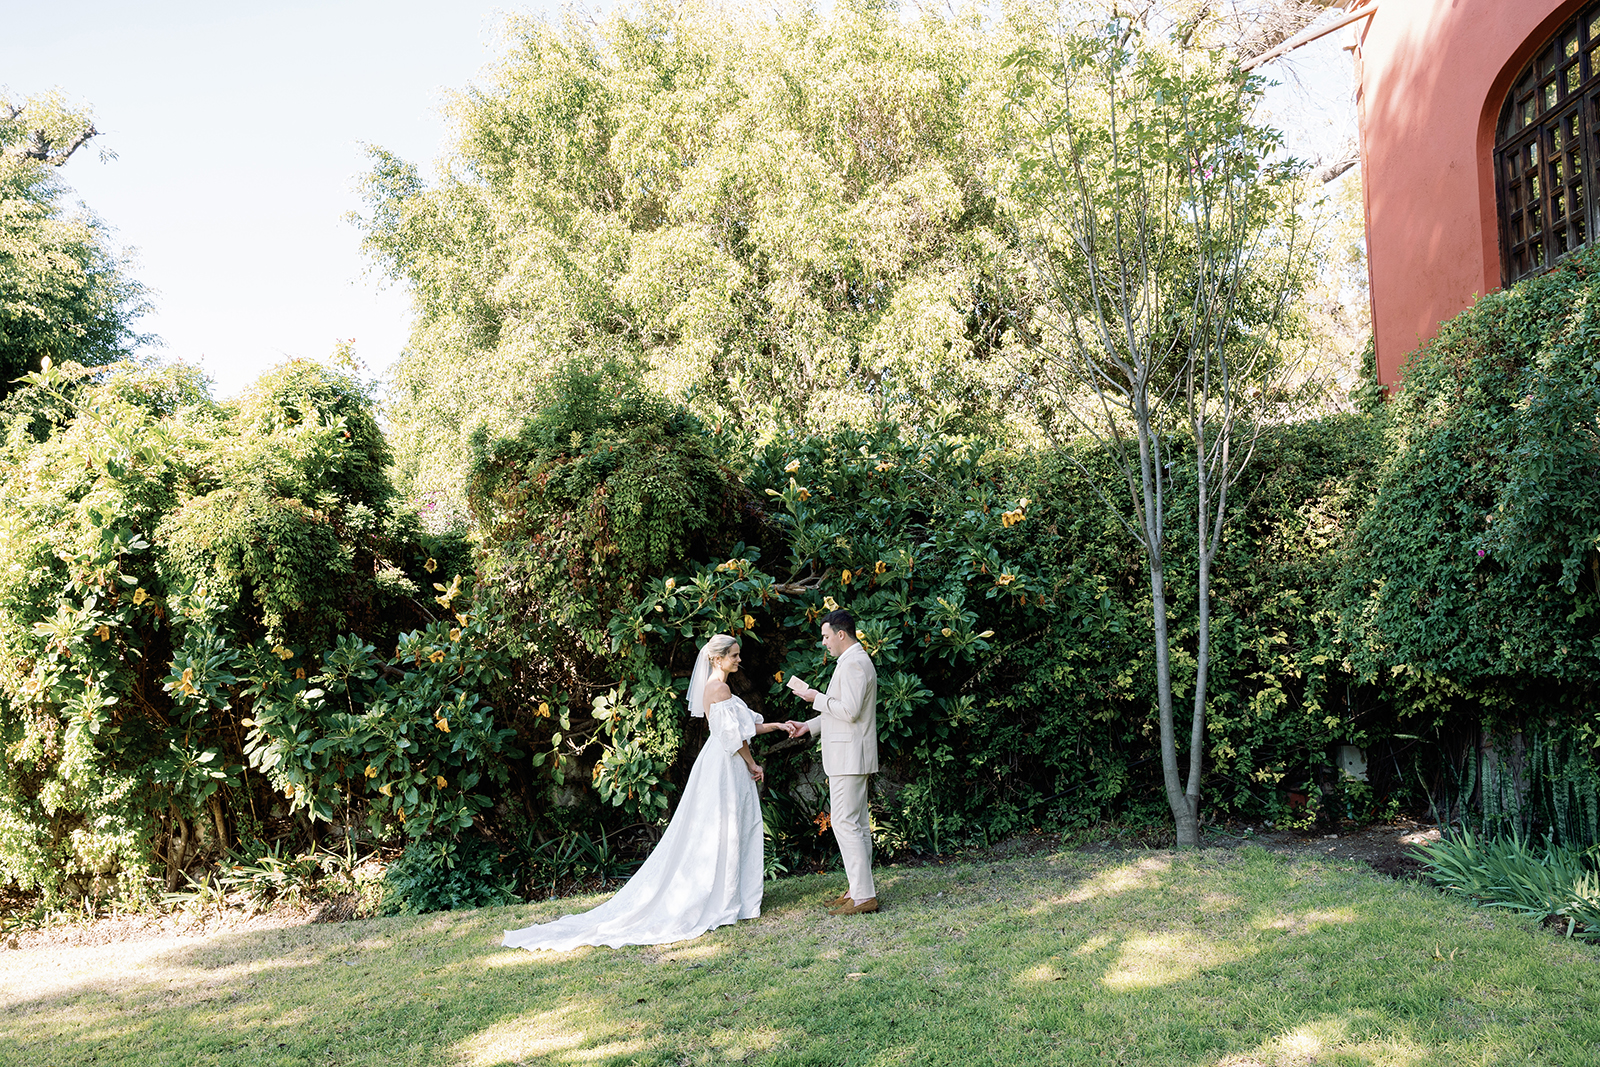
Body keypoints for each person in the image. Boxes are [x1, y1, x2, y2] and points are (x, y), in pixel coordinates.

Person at [502, 634, 787, 951]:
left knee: (724, 827)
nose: (738, 660)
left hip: (720, 759)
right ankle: (727, 897)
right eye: (733, 655)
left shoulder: (715, 689)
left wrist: (776, 726)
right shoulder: (719, 688)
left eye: (737, 655)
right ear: (717, 659)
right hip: (727, 761)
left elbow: (742, 727)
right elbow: (735, 737)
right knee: (729, 825)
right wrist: (753, 764)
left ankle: (730, 894)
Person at [782, 609, 880, 915]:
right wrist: (809, 726)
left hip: (848, 757)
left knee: (845, 823)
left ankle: (864, 896)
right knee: (856, 824)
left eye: (826, 637)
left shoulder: (853, 664)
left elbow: (849, 710)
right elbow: (843, 712)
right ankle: (857, 890)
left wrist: (814, 697)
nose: (824, 643)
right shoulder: (853, 662)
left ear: (841, 634)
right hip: (851, 754)